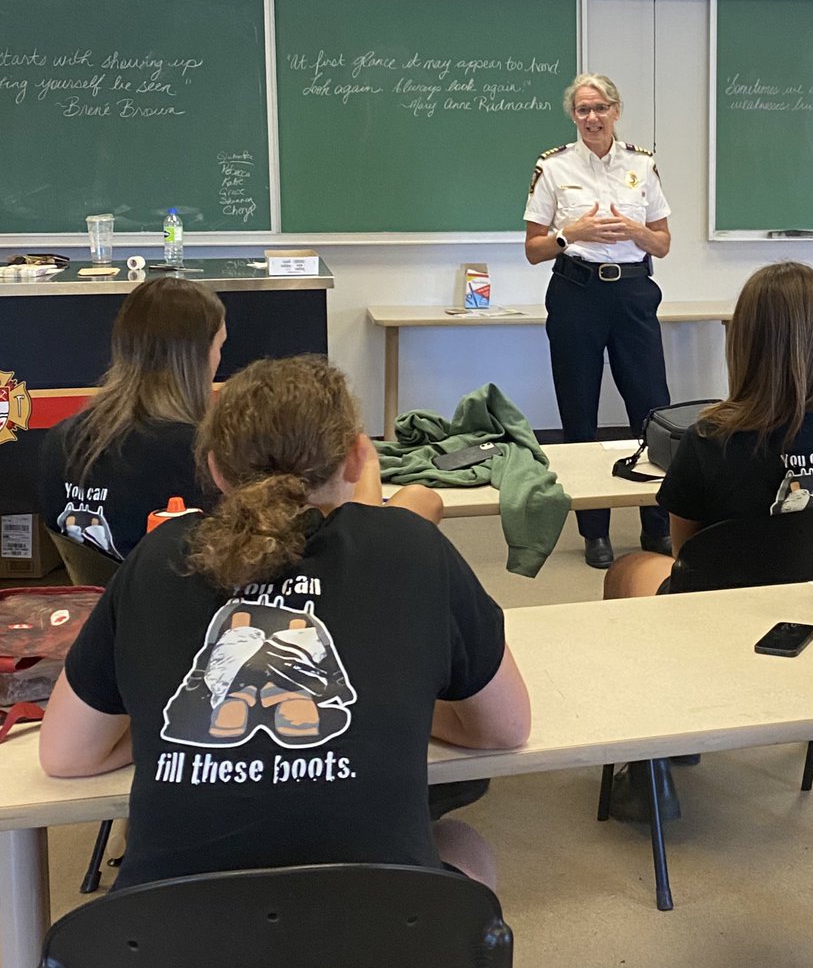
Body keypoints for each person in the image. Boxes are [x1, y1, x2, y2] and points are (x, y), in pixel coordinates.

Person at [39, 355, 531, 890]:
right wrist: (392, 704)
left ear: (214, 469)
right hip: (381, 922)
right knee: (463, 844)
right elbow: (503, 729)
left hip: (174, 928)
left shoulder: (159, 557)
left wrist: (162, 718)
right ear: (357, 458)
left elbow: (66, 755)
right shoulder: (411, 547)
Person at [603, 261, 813, 821]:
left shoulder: (709, 437)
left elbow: (685, 554)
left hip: (718, 631)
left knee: (627, 570)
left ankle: (652, 762)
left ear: (744, 342)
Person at [524, 72, 672, 569]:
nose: (592, 117)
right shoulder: (552, 167)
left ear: (616, 110)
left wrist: (634, 229)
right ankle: (595, 531)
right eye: (582, 110)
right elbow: (533, 249)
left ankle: (657, 525)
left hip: (632, 294)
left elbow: (663, 243)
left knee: (651, 412)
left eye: (600, 108)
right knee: (579, 414)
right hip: (576, 293)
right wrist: (573, 233)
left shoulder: (642, 165)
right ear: (574, 116)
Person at [38, 276, 227, 560]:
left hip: (90, 588)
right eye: (220, 346)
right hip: (165, 589)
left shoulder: (59, 440)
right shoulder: (197, 453)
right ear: (197, 356)